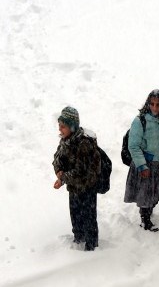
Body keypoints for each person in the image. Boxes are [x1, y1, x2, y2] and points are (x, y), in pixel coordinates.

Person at [124, 89, 159, 232]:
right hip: (145, 164)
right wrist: (142, 165)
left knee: (155, 192)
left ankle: (149, 212)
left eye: (158, 105)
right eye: (152, 104)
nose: (155, 108)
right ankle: (145, 220)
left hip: (158, 164)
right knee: (145, 194)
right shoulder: (140, 121)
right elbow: (133, 145)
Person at [52, 106, 101, 251]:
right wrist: (59, 171)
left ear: (72, 127)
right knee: (76, 216)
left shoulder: (83, 143)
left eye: (63, 126)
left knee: (88, 217)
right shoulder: (65, 140)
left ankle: (92, 247)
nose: (60, 129)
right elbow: (57, 158)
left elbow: (81, 172)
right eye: (59, 126)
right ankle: (78, 239)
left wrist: (63, 177)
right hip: (74, 188)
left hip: (87, 188)